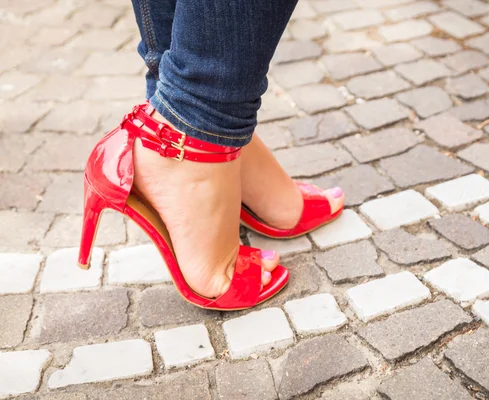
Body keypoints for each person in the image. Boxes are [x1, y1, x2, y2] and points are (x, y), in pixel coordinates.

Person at [77, 0, 345, 310]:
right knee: (195, 100)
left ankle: (196, 128)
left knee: (172, 63)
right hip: (178, 145)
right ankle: (193, 132)